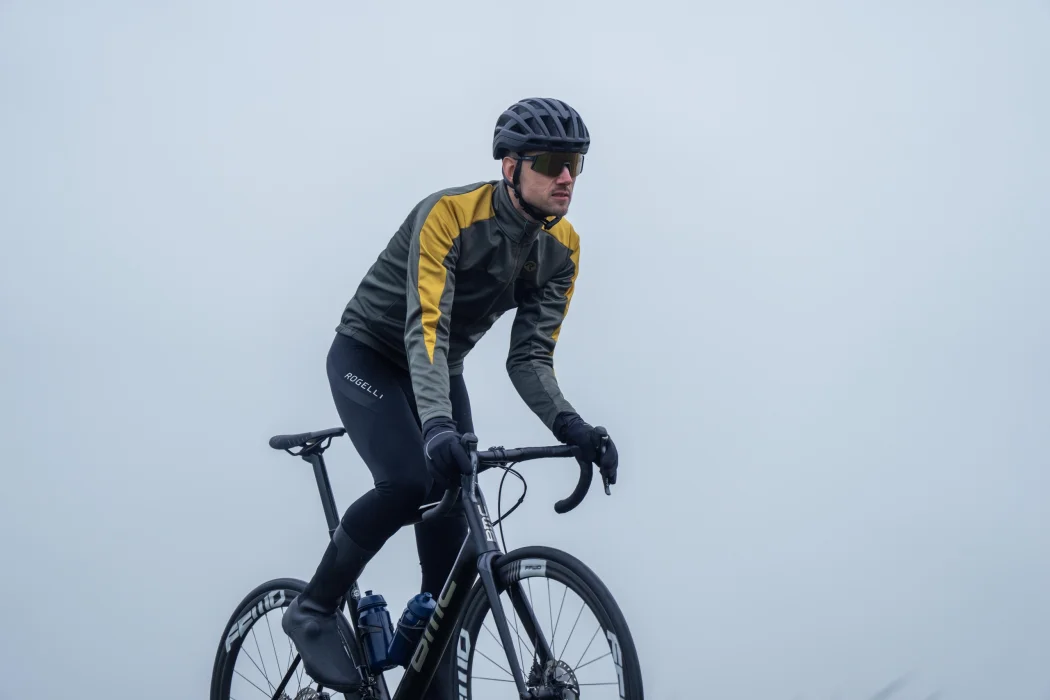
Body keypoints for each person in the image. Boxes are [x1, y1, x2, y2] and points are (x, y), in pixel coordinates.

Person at [281, 97, 620, 696]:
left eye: (577, 163)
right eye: (551, 162)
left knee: (457, 501)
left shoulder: (562, 248)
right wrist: (437, 426)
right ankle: (313, 609)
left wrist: (572, 426)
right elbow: (427, 327)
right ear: (511, 167)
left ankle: (429, 652)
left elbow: (530, 358)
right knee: (410, 480)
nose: (567, 176)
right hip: (369, 355)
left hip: (441, 369)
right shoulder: (449, 214)